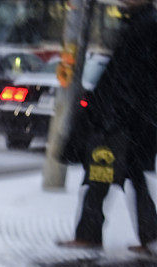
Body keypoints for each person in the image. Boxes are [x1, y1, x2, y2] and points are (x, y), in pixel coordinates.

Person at [58, 0, 157, 253]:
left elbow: (134, 79)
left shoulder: (146, 26)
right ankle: (150, 237)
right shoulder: (139, 23)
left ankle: (90, 234)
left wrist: (113, 114)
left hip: (124, 121)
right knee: (129, 176)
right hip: (132, 121)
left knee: (100, 172)